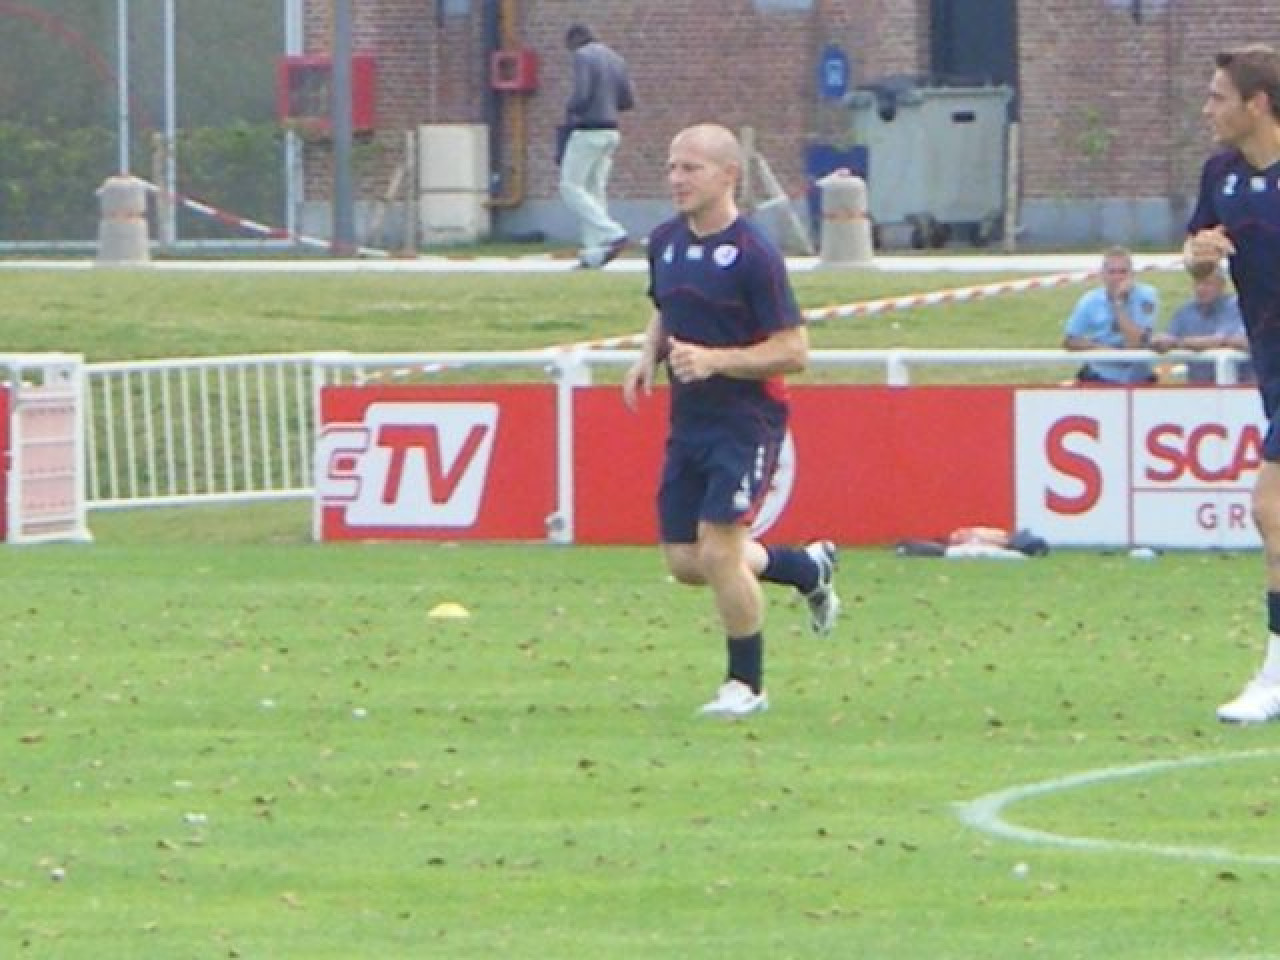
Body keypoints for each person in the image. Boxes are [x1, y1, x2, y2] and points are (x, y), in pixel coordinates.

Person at [621, 123, 840, 718]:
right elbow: (664, 309)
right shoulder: (665, 241)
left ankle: (747, 685)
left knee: (721, 552)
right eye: (672, 167)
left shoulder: (754, 255)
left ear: (728, 176)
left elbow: (794, 350)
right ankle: (806, 566)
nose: (676, 179)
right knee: (686, 563)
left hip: (746, 422)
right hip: (688, 421)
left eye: (690, 168)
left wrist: (715, 361)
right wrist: (646, 355)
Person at [1184, 44, 1280, 724]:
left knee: (1272, 508)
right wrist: (1199, 258)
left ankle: (1276, 675)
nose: (1207, 109)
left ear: (1258, 104)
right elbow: (1199, 263)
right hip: (1270, 364)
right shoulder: (1220, 175)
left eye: (1219, 97)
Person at [560, 24, 634, 270]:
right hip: (611, 131)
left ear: (574, 40)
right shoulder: (616, 59)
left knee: (570, 187)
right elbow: (627, 100)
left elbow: (582, 94)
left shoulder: (583, 56)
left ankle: (612, 233)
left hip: (588, 129)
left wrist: (570, 108)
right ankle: (595, 252)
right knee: (594, 189)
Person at [1063, 247, 1160, 384]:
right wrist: (1102, 350)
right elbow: (1070, 340)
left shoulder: (1147, 296)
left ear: (1133, 274)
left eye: (1123, 272)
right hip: (1100, 375)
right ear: (1102, 275)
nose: (1117, 277)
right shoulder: (1090, 300)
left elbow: (1135, 344)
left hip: (1139, 376)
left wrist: (1118, 303)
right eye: (1112, 272)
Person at [1152, 265, 1252, 384]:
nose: (1201, 288)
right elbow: (1165, 339)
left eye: (1207, 283)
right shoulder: (1185, 312)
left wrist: (1178, 343)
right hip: (1199, 388)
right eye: (1198, 283)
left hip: (1240, 386)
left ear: (1221, 285)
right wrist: (1160, 341)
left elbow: (1222, 340)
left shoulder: (1236, 307)